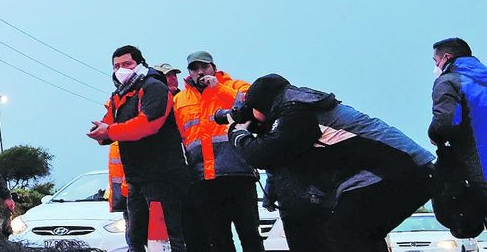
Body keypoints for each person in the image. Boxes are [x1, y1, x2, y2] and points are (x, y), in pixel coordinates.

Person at [229, 74, 434, 252]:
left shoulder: (297, 112)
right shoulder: (302, 105)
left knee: (345, 232)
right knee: (357, 234)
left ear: (262, 104)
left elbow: (262, 154)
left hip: (399, 171)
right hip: (407, 170)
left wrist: (238, 133)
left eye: (253, 109)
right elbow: (284, 156)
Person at [87, 45, 190, 252]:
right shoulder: (119, 95)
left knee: (168, 237)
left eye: (126, 64)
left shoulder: (154, 87)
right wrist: (101, 133)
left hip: (163, 175)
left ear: (140, 63)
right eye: (116, 66)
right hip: (136, 178)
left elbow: (148, 124)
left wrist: (109, 131)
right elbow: (110, 124)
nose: (121, 69)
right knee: (136, 238)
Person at [173, 51, 263, 252]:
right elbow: (179, 138)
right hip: (204, 179)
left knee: (250, 234)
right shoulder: (180, 99)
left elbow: (254, 105)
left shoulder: (235, 86)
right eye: (195, 69)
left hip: (239, 174)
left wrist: (218, 88)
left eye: (204, 67)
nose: (200, 72)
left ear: (214, 67)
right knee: (219, 237)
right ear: (189, 72)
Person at [429, 37, 487, 214]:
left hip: (480, 169)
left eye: (436, 60)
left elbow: (446, 123)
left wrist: (434, 135)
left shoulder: (449, 81)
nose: (436, 65)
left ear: (446, 57)